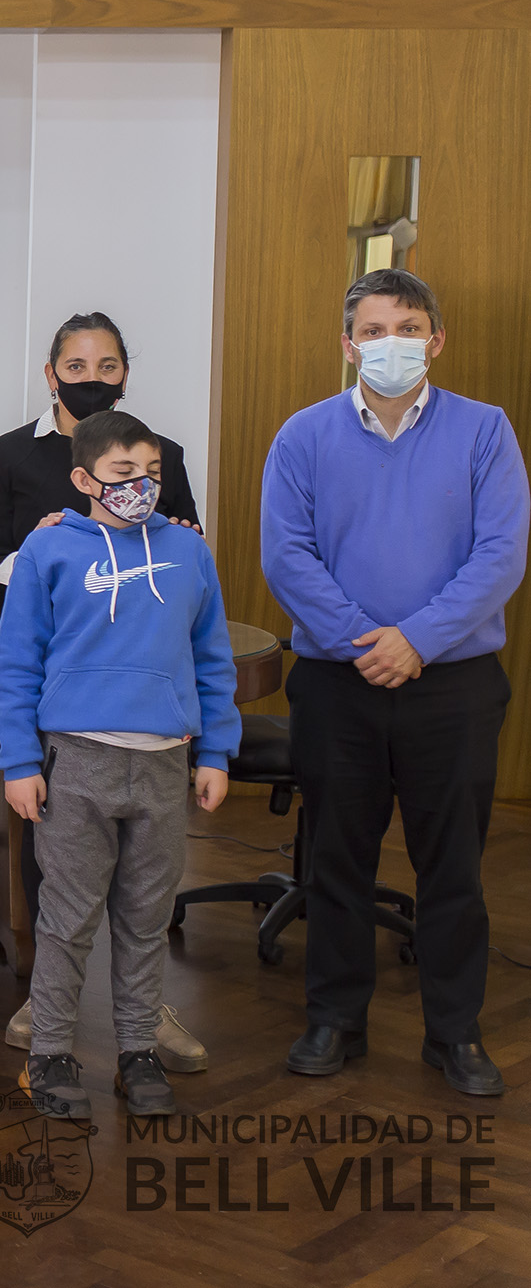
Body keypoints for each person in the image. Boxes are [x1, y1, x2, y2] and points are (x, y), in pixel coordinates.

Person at [262, 268, 527, 1099]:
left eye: (406, 329)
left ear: (434, 340)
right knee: (336, 858)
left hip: (451, 685)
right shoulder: (302, 435)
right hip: (336, 684)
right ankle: (334, 1019)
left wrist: (416, 640)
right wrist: (363, 643)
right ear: (347, 346)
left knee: (451, 865)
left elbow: (500, 555)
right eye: (372, 331)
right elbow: (286, 556)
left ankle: (454, 1032)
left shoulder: (483, 430)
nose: (390, 345)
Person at [0, 312, 207, 1070]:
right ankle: (47, 1003)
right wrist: (45, 551)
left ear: (125, 373)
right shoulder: (9, 454)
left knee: (144, 890)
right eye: (76, 366)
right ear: (50, 374)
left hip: (145, 694)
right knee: (57, 866)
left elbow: (184, 546)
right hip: (57, 688)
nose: (92, 378)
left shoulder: (157, 455)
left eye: (107, 366)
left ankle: (144, 1010)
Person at [0, 410, 239, 1119]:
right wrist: (19, 761)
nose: (141, 487)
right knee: (67, 920)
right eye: (123, 473)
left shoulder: (188, 551)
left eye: (152, 474)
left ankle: (137, 1052)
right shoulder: (47, 549)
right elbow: (18, 663)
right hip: (76, 762)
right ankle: (49, 1055)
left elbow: (211, 656)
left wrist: (215, 751)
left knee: (145, 918)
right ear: (84, 479)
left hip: (164, 764)